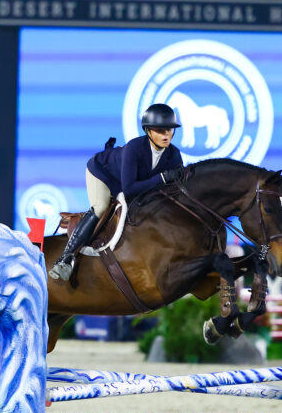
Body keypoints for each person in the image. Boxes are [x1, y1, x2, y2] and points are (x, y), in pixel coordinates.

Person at [48, 103, 185, 281]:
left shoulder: (174, 155)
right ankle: (66, 258)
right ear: (148, 131)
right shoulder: (134, 148)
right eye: (160, 130)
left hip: (129, 182)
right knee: (101, 206)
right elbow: (129, 191)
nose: (166, 135)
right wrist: (162, 178)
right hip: (103, 173)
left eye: (169, 130)